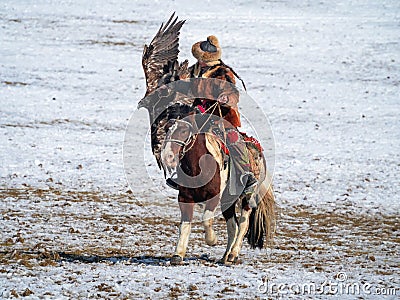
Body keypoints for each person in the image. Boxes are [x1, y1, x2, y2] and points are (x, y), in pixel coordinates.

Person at [166, 35, 257, 196]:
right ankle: (180, 174)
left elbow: (233, 93)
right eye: (198, 59)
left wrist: (226, 98)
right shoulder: (193, 70)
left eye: (202, 59)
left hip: (221, 117)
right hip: (197, 116)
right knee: (180, 136)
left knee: (233, 140)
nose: (199, 62)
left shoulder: (223, 72)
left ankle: (245, 174)